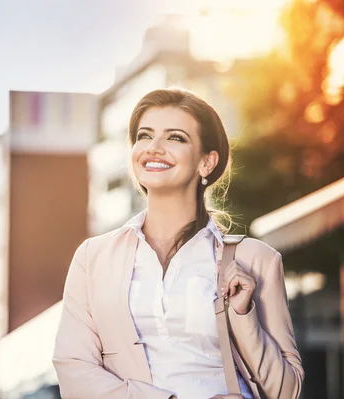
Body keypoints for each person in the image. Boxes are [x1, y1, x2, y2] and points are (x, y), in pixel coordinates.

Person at [52, 88, 304, 399]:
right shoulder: (93, 257)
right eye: (144, 136)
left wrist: (244, 314)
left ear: (207, 162)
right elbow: (74, 371)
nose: (154, 148)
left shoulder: (256, 259)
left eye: (175, 138)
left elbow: (287, 391)